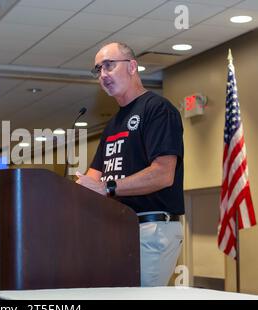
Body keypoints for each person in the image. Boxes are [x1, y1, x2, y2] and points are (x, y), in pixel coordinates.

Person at [76, 42, 184, 287]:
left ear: (132, 66)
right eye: (98, 70)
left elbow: (163, 174)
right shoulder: (113, 125)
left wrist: (107, 188)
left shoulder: (158, 110)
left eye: (109, 65)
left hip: (150, 228)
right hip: (116, 229)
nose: (103, 74)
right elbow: (93, 179)